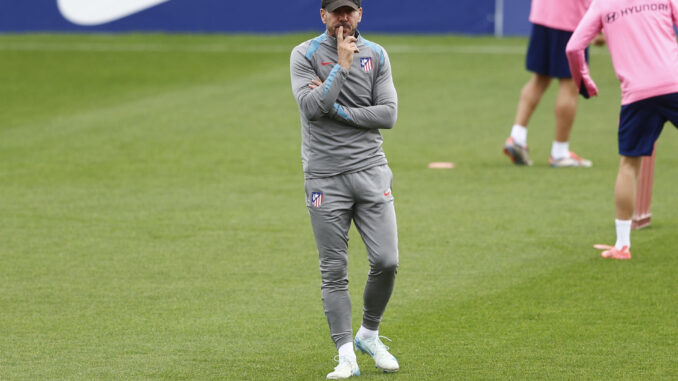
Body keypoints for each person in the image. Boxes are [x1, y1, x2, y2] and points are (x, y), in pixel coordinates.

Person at [289, 0, 400, 377]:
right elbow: (310, 107)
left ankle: (368, 334)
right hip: (324, 176)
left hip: (371, 170)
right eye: (336, 11)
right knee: (334, 270)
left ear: (360, 14)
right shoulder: (303, 54)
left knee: (387, 261)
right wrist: (341, 67)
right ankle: (345, 355)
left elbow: (388, 114)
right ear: (323, 16)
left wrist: (342, 113)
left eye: (349, 10)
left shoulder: (377, 54)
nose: (343, 18)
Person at [566, 0, 678, 259]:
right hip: (674, 83)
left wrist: (582, 80)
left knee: (629, 164)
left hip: (636, 95)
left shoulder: (602, 4)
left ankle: (623, 245)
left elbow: (573, 47)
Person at [503, 0, 595, 167]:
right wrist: (598, 21)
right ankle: (560, 152)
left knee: (539, 79)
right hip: (570, 17)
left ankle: (517, 137)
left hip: (543, 12)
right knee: (569, 83)